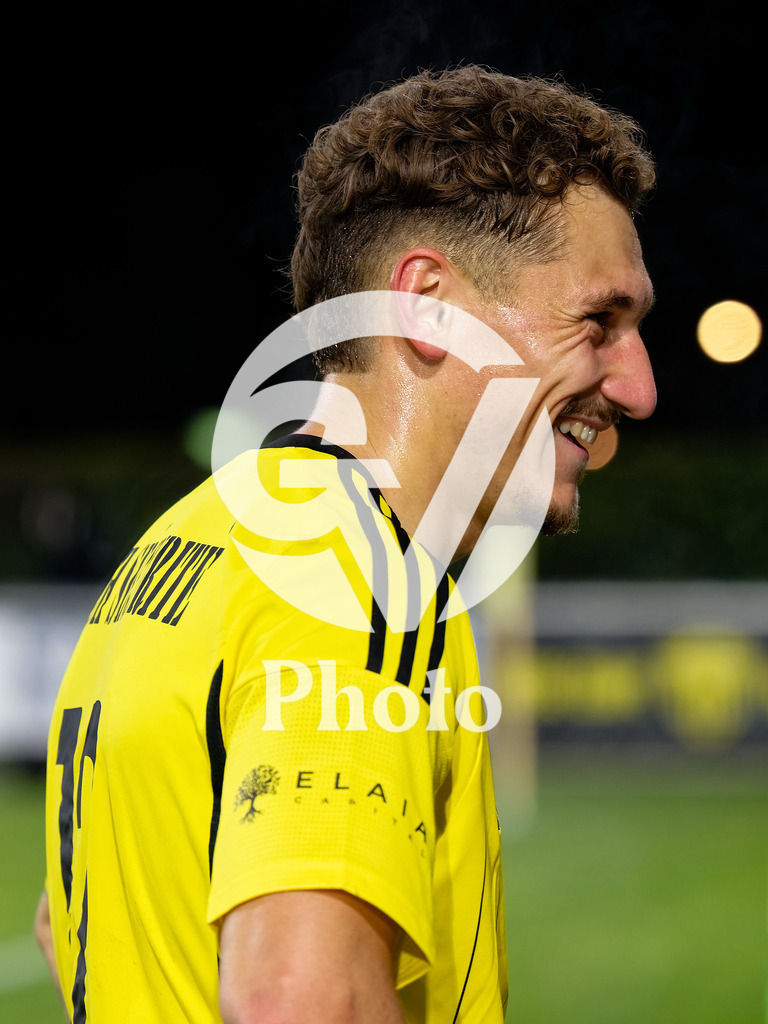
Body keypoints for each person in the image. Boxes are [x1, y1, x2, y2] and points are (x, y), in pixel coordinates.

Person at [36, 64, 657, 1022]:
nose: (638, 388)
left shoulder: (183, 543)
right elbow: (296, 998)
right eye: (599, 321)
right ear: (429, 306)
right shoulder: (358, 577)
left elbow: (75, 924)